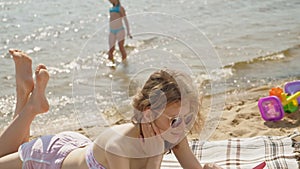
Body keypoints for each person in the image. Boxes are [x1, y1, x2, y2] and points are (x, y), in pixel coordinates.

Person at [0, 49, 222, 169]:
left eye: (189, 118)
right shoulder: (120, 145)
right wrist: (155, 157)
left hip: (79, 147)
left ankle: (27, 98)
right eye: (174, 120)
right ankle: (28, 104)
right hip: (50, 160)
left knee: (10, 152)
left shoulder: (174, 134)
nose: (181, 128)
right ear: (148, 113)